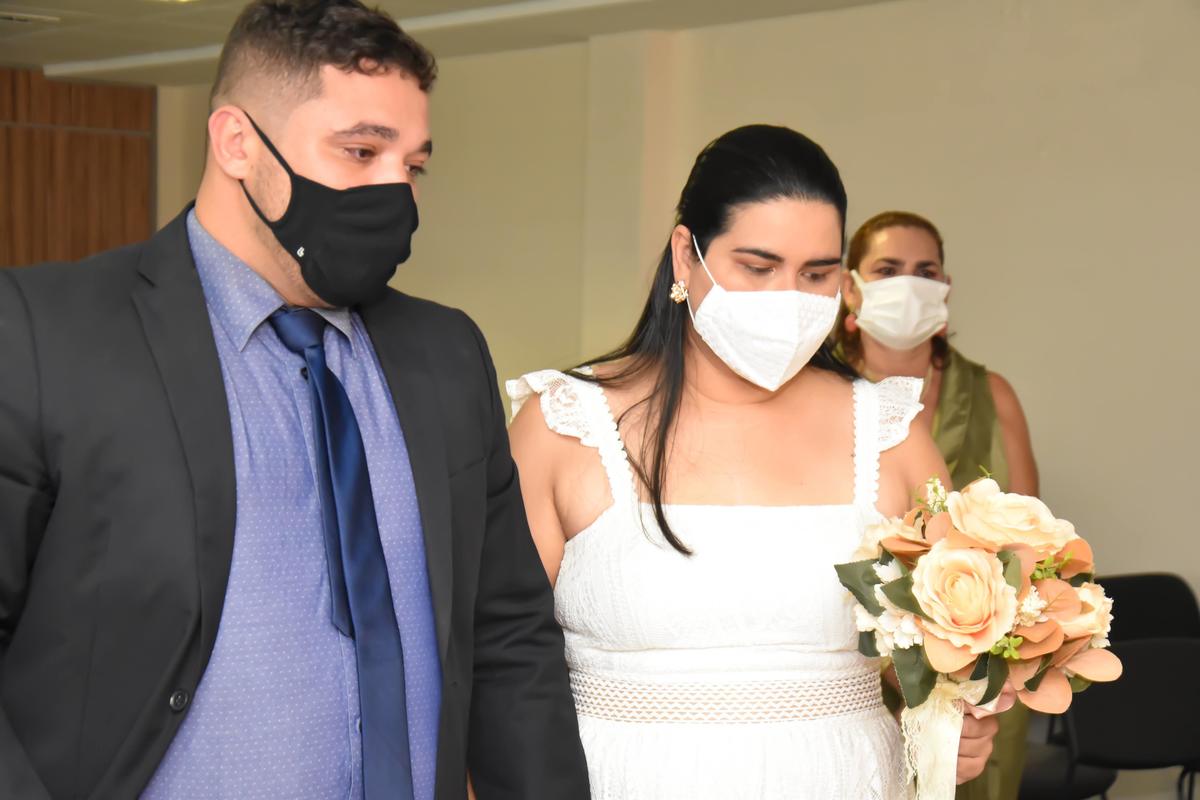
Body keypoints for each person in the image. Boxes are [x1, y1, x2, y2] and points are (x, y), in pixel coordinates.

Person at [0, 1, 588, 798]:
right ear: (237, 143)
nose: (396, 192)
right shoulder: (44, 335)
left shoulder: (446, 354)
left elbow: (507, 636)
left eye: (412, 166)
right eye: (360, 151)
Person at [506, 125, 998, 799]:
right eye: (758, 268)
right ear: (685, 256)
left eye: (816, 274)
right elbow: (496, 660)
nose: (787, 299)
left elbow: (933, 652)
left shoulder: (892, 433)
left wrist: (950, 724)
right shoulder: (565, 426)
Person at [836, 210, 1039, 799]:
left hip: (976, 684)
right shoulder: (816, 397)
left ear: (945, 288)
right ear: (851, 287)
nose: (908, 284)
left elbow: (1032, 547)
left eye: (925, 271)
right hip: (847, 669)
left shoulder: (991, 395)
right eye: (888, 269)